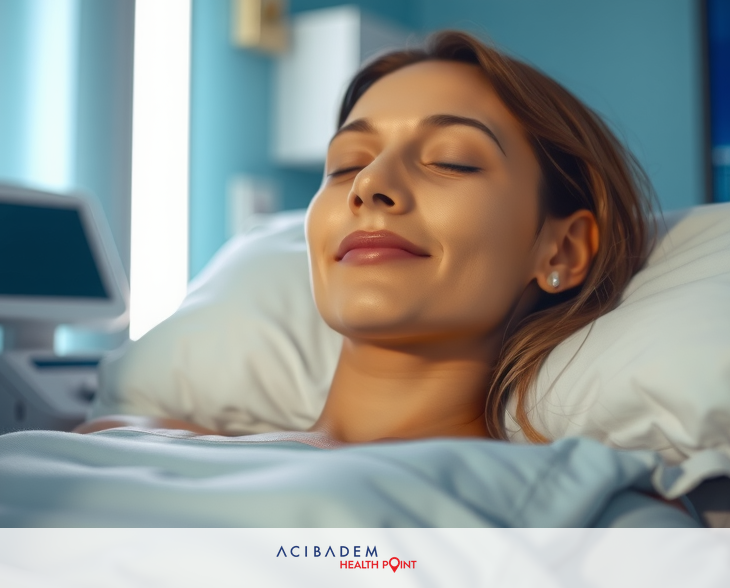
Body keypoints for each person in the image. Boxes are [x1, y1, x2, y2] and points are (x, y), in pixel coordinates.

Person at [76, 30, 653, 443]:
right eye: (346, 164)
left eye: (451, 160)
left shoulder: (580, 514)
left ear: (563, 248)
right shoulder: (120, 446)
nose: (371, 184)